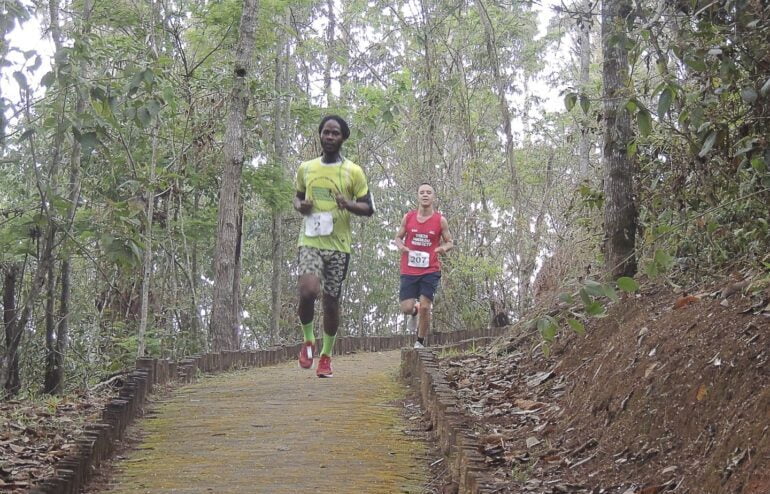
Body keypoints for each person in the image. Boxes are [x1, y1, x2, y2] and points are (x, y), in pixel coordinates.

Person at [294, 115, 374, 377]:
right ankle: (308, 340)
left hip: (339, 246)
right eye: (326, 133)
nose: (329, 137)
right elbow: (297, 198)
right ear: (320, 135)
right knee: (308, 291)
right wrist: (301, 206)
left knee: (331, 301)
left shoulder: (353, 171)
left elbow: (367, 207)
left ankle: (326, 356)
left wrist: (348, 204)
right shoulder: (306, 168)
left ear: (343, 138)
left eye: (335, 133)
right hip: (310, 241)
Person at [394, 183, 453, 348]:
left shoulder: (440, 220)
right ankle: (414, 311)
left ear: (433, 197)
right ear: (418, 196)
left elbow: (450, 242)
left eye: (428, 192)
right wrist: (401, 246)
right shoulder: (409, 217)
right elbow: (398, 237)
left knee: (426, 306)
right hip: (409, 269)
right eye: (422, 192)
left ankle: (420, 342)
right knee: (406, 307)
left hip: (430, 269)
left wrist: (443, 248)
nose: (425, 195)